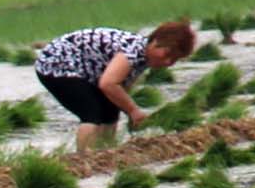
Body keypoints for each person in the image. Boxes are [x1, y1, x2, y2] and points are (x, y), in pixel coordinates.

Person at [33, 20, 198, 150]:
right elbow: (108, 84)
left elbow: (122, 87)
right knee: (92, 114)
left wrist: (127, 111)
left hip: (83, 69)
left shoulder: (144, 58)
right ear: (155, 42)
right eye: (167, 54)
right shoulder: (132, 51)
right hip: (56, 64)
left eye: (174, 59)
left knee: (111, 111)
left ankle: (104, 153)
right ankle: (83, 159)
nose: (168, 62)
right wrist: (134, 111)